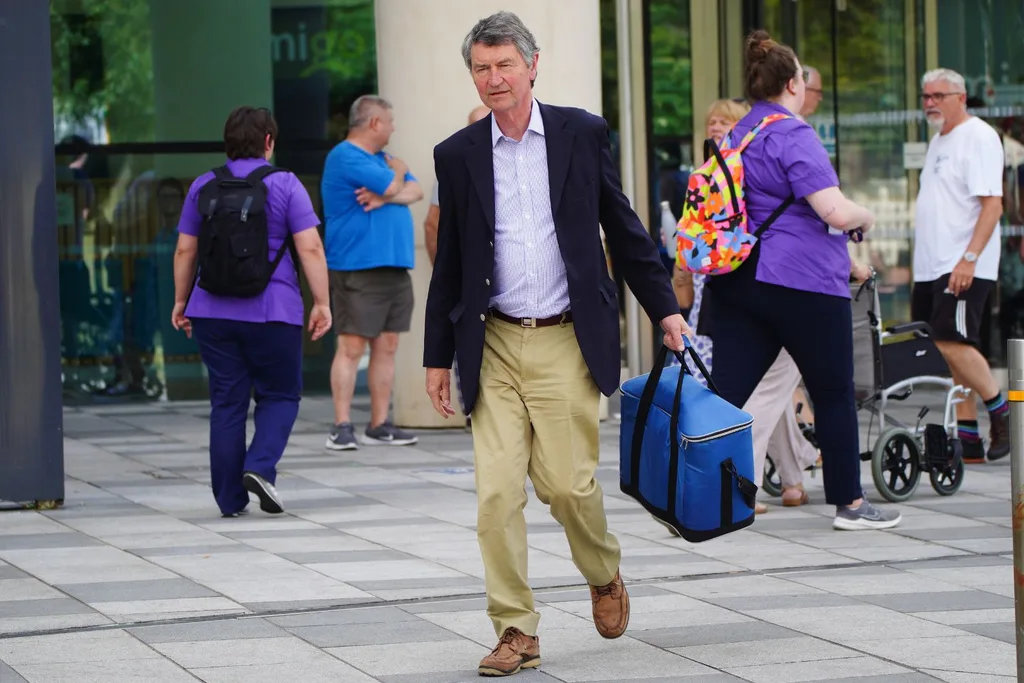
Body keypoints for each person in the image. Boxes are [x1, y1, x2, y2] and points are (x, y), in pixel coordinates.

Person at [423, 11, 690, 677]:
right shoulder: (457, 156)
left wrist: (665, 309)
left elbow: (624, 229)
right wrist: (435, 356)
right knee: (495, 495)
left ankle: (603, 570)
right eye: (481, 69)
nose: (493, 79)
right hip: (494, 345)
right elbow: (450, 261)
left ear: (532, 65)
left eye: (504, 65)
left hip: (567, 338)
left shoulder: (579, 133)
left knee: (567, 488)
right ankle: (515, 627)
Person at [706, 30, 901, 532]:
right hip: (802, 284)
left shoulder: (739, 132)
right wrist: (868, 216)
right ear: (793, 83)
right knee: (833, 391)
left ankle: (698, 493)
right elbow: (833, 210)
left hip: (740, 280)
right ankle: (851, 505)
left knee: (725, 395)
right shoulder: (793, 133)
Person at [171, 106, 332, 517]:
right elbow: (310, 247)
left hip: (211, 310)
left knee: (227, 403)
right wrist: (322, 302)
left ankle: (229, 499)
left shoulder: (203, 185)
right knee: (279, 394)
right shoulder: (286, 184)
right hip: (273, 310)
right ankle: (260, 466)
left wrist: (180, 301)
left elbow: (186, 248)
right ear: (268, 142)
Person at [672, 98, 819, 516]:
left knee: (771, 391)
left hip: (731, 294)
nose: (716, 126)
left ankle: (792, 481)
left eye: (724, 121)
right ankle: (736, 484)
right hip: (768, 293)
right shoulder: (754, 172)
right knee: (766, 393)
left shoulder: (715, 175)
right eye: (711, 120)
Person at [913, 68, 1007, 463]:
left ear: (961, 97)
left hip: (963, 261)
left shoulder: (979, 136)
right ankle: (968, 438)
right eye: (925, 96)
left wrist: (968, 259)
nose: (930, 102)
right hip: (931, 264)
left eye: (939, 95)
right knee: (950, 349)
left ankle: (1002, 414)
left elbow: (993, 205)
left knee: (951, 342)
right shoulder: (938, 141)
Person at [322, 95, 424, 450]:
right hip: (357, 266)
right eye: (390, 121)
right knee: (351, 346)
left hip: (393, 265)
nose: (394, 128)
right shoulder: (346, 156)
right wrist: (396, 175)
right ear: (375, 123)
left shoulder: (382, 160)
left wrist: (385, 196)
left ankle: (379, 424)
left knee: (388, 344)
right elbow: (399, 183)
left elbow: (416, 191)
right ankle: (341, 425)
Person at [424, 105, 491, 424]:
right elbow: (433, 224)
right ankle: (472, 404)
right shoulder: (455, 164)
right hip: (470, 279)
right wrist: (447, 271)